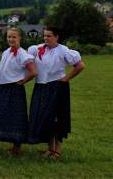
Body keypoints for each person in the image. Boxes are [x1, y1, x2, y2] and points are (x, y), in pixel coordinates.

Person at [27, 27, 85, 159]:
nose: (46, 38)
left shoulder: (63, 50)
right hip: (41, 87)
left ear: (56, 37)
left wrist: (67, 78)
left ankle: (57, 150)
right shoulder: (38, 48)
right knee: (46, 119)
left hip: (57, 87)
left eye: (49, 36)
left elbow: (80, 65)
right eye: (45, 36)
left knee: (56, 119)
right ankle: (49, 149)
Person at [0, 27, 37, 155]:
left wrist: (22, 81)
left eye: (14, 37)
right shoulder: (6, 52)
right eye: (9, 37)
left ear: (20, 38)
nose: (11, 39)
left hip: (14, 89)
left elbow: (33, 72)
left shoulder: (23, 54)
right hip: (2, 88)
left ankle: (17, 146)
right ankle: (12, 142)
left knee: (16, 117)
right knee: (4, 115)